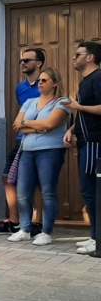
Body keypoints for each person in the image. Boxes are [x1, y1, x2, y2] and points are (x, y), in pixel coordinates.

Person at [6, 68, 70, 246]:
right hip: (27, 150)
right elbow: (17, 125)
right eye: (40, 80)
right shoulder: (29, 101)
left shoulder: (62, 102)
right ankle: (24, 229)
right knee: (22, 192)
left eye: (44, 80)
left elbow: (50, 124)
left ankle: (46, 232)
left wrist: (27, 123)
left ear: (55, 83)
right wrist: (37, 127)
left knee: (48, 192)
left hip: (50, 151)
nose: (40, 83)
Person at [0, 48, 46, 235]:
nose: (22, 63)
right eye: (21, 60)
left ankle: (38, 223)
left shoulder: (46, 84)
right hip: (21, 138)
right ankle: (14, 222)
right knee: (7, 177)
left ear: (38, 63)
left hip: (41, 138)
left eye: (27, 60)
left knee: (38, 181)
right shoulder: (20, 88)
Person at [63, 41, 101, 255]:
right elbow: (84, 113)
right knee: (88, 191)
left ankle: (99, 239)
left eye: (78, 54)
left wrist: (78, 107)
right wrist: (72, 129)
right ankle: (95, 236)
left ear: (90, 57)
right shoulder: (85, 81)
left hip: (96, 143)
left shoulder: (98, 78)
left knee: (94, 192)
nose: (73, 58)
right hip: (86, 142)